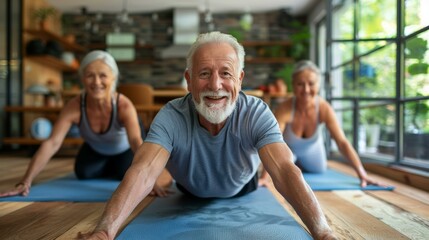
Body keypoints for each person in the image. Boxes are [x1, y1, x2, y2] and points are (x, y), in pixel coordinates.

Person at [78, 32, 336, 239]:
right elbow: (143, 170)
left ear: (240, 79)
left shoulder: (256, 112)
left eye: (226, 73)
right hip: (189, 191)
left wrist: (323, 233)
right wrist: (104, 231)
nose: (215, 85)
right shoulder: (171, 115)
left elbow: (284, 170)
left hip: (242, 188)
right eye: (204, 74)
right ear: (188, 80)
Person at [0, 50, 169, 198]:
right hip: (96, 148)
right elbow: (52, 142)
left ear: (113, 78)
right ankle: (109, 164)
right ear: (83, 78)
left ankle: (117, 166)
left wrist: (149, 179)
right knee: (83, 173)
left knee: (124, 174)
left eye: (103, 75)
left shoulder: (123, 105)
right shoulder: (74, 106)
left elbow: (135, 141)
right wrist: (25, 181)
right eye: (90, 75)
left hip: (124, 149)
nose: (96, 82)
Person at [259, 60, 382, 188]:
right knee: (285, 171)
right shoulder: (285, 108)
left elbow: (342, 142)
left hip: (313, 151)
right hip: (289, 152)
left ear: (318, 85)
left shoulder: (324, 108)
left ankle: (301, 164)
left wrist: (362, 174)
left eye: (311, 84)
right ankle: (296, 164)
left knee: (318, 170)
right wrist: (264, 178)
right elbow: (272, 142)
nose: (306, 90)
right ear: (293, 85)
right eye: (300, 84)